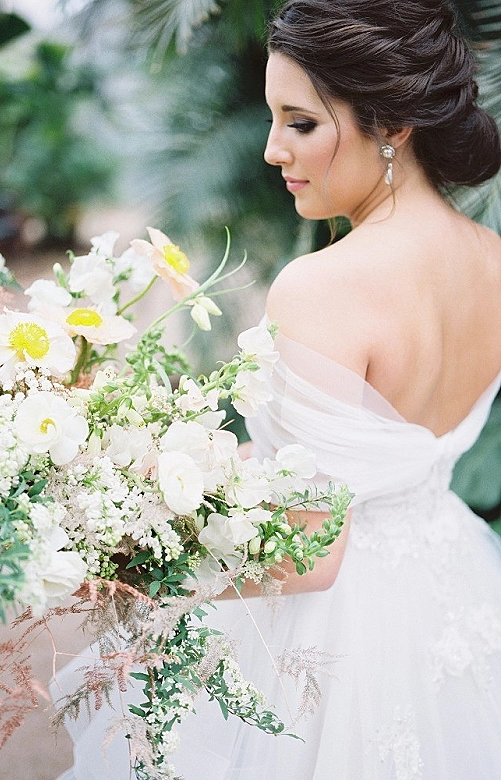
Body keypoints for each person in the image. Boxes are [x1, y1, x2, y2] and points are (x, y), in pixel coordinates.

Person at [55, 1, 501, 777]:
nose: (271, 150)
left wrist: (130, 565)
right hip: (452, 591)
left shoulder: (323, 287)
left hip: (335, 639)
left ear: (394, 125)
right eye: (272, 120)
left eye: (300, 123)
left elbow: (311, 555)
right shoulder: (491, 255)